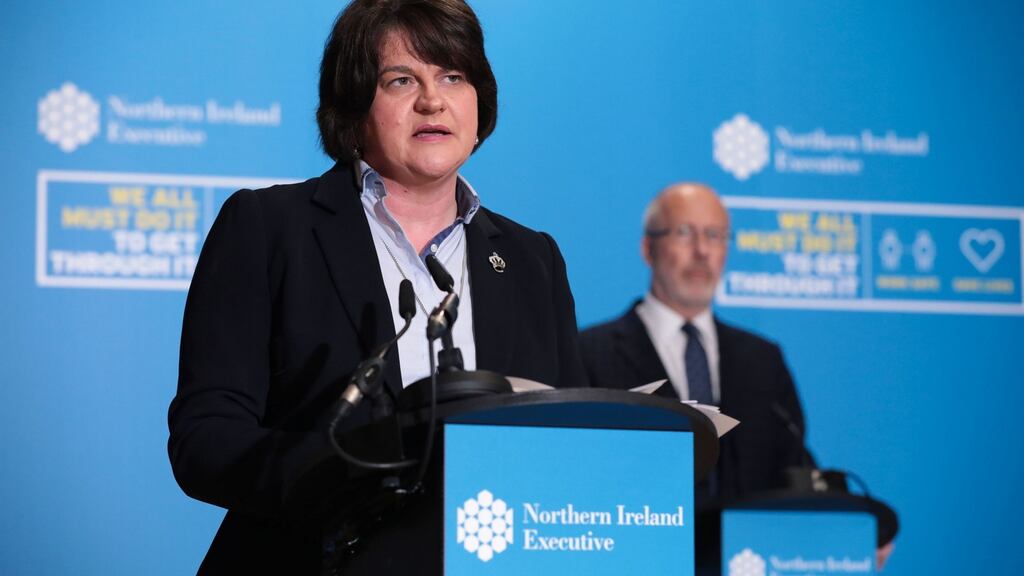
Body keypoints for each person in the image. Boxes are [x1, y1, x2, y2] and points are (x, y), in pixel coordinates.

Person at [167, 1, 586, 574]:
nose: (433, 100)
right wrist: (343, 467)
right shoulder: (268, 229)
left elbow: (571, 441)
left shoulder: (532, 258)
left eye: (453, 76)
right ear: (354, 105)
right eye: (401, 80)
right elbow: (206, 440)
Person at [578, 182, 807, 574]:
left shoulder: (763, 360)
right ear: (648, 248)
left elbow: (795, 467)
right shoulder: (590, 353)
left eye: (715, 236)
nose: (702, 251)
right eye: (684, 233)